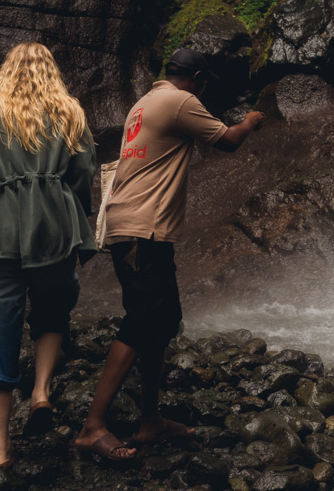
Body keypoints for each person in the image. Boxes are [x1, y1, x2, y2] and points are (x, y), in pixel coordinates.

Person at [73, 48, 263, 461]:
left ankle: (150, 421)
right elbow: (227, 142)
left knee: (162, 321)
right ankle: (93, 427)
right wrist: (250, 121)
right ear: (196, 78)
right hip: (144, 229)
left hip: (133, 226)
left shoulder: (144, 102)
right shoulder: (180, 101)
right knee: (143, 321)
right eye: (205, 82)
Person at [0, 42, 97, 468]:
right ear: (53, 72)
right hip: (55, 229)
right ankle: (41, 393)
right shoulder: (71, 114)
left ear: (5, 71)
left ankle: (0, 450)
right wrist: (75, 215)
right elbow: (82, 176)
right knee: (53, 308)